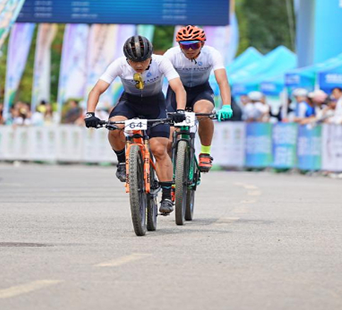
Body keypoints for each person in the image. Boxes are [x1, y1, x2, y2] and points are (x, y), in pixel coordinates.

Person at [84, 36, 187, 216]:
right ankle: (122, 162)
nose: (138, 65)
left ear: (150, 57)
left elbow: (178, 87)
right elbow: (97, 89)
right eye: (133, 61)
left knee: (159, 149)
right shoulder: (119, 64)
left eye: (143, 60)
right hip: (129, 104)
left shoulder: (161, 62)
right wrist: (90, 113)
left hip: (155, 106)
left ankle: (166, 195)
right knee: (114, 127)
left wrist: (180, 110)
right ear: (127, 59)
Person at [163, 25, 233, 171]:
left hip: (200, 91)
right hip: (177, 92)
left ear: (202, 44)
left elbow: (222, 81)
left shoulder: (212, 53)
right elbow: (157, 79)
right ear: (179, 45)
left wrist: (226, 105)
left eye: (194, 45)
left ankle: (205, 153)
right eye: (185, 46)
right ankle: (170, 169)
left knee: (203, 113)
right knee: (169, 139)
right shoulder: (171, 55)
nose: (190, 49)